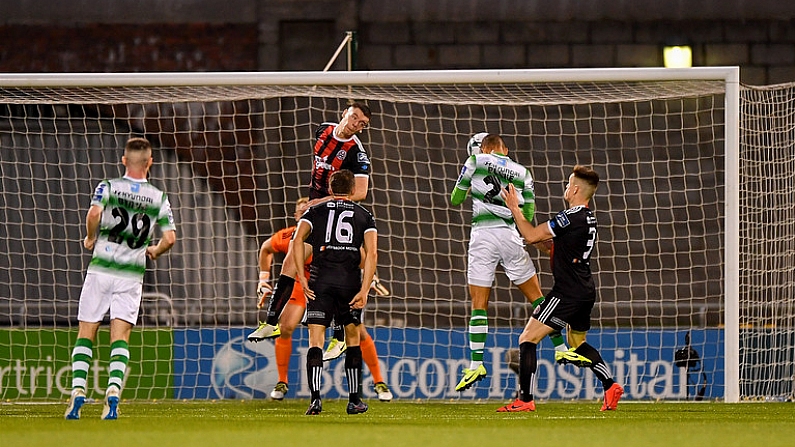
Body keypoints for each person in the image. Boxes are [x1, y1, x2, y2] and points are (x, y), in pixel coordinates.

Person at [450, 133, 589, 392]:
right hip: (511, 236)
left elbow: (455, 200)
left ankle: (475, 364)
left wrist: (471, 188)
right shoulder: (522, 172)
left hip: (482, 238)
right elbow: (527, 215)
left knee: (479, 304)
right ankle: (560, 349)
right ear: (505, 149)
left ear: (484, 148)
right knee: (538, 298)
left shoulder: (474, 161)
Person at [65, 137, 176, 420]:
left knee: (86, 332)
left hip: (101, 269)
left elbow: (94, 213)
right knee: (121, 337)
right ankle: (113, 391)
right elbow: (170, 238)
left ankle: (78, 390)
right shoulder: (158, 197)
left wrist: (91, 237)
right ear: (150, 163)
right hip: (130, 275)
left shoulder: (109, 186)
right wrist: (154, 250)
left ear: (124, 161)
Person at [497, 165, 624, 412]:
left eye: (568, 184)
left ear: (576, 189)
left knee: (527, 339)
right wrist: (534, 239)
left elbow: (533, 235)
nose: (566, 188)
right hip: (585, 290)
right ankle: (610, 386)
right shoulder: (588, 219)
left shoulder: (570, 217)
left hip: (566, 293)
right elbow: (553, 247)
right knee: (577, 343)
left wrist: (514, 208)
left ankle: (525, 400)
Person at [250, 197, 393, 402]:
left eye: (306, 210)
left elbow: (362, 256)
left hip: (328, 284)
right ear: (296, 217)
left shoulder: (327, 233)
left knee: (358, 331)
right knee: (287, 326)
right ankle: (282, 382)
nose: (303, 214)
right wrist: (263, 280)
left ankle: (379, 382)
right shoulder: (289, 236)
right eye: (299, 212)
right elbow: (265, 248)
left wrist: (371, 280)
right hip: (302, 286)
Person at [292, 169, 377, 415]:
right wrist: (364, 289)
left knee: (315, 341)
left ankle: (315, 400)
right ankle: (354, 400)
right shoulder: (365, 215)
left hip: (320, 282)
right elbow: (372, 254)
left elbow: (297, 240)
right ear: (353, 190)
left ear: (330, 190)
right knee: (352, 339)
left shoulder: (315, 211)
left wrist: (301, 276)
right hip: (349, 283)